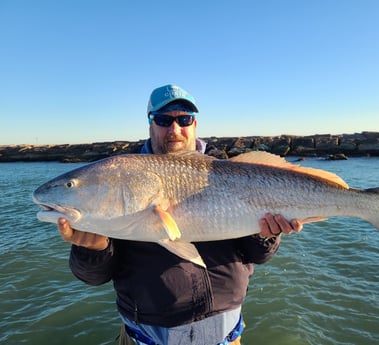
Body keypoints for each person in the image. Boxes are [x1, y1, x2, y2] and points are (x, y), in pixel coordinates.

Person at [58, 84, 304, 345]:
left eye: (183, 120)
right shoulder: (119, 178)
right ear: (150, 124)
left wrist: (265, 236)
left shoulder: (232, 171)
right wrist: (93, 250)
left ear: (195, 124)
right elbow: (93, 277)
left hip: (227, 337)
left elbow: (259, 256)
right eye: (164, 120)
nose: (174, 130)